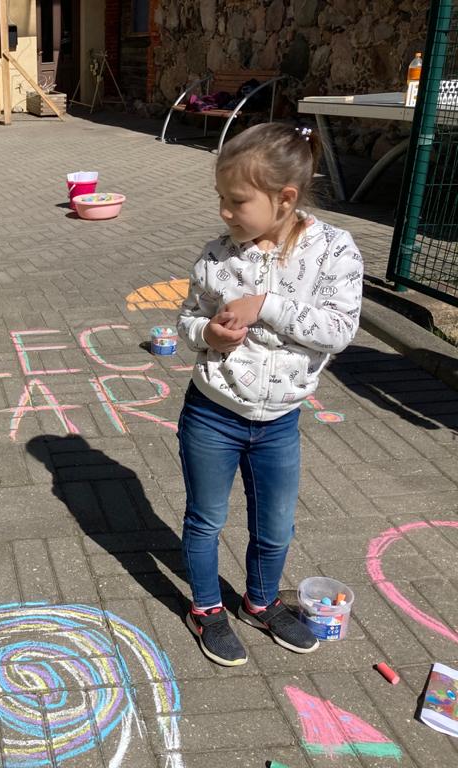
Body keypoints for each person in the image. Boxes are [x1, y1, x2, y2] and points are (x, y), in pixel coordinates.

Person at [176, 123, 363, 666]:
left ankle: (258, 601)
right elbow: (189, 318)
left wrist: (266, 305)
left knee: (276, 525)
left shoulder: (333, 250)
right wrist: (206, 334)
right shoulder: (218, 255)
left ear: (285, 199)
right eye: (220, 199)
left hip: (280, 419)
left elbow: (339, 329)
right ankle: (206, 607)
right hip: (213, 411)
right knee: (206, 519)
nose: (224, 212)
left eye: (236, 201)